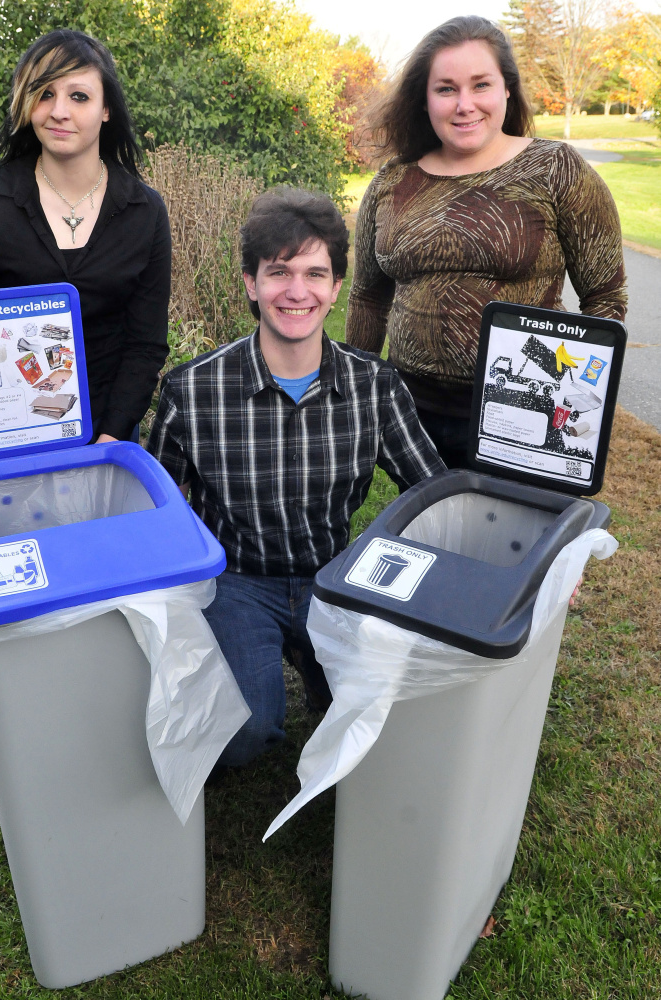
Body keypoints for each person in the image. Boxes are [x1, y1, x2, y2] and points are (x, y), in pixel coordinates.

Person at [148, 187, 445, 769]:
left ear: (336, 288)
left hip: (336, 578)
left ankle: (323, 681)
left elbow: (433, 494)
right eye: (278, 272)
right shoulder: (193, 390)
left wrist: (522, 568)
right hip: (235, 580)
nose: (296, 291)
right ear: (250, 283)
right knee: (240, 735)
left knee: (381, 720)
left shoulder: (374, 388)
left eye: (315, 273)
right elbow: (151, 505)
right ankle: (254, 692)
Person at [346, 15, 627, 468]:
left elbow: (605, 297)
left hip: (521, 416)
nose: (464, 104)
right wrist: (359, 394)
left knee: (504, 536)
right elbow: (366, 299)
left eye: (481, 85)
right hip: (407, 416)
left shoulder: (556, 169)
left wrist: (577, 398)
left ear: (507, 90)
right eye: (446, 88)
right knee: (429, 535)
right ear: (424, 99)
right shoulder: (392, 181)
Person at [0, 29, 171, 443]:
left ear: (107, 109)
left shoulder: (145, 212)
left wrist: (109, 440)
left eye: (79, 96)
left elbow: (145, 344)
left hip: (111, 430)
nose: (59, 111)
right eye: (45, 94)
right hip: (10, 434)